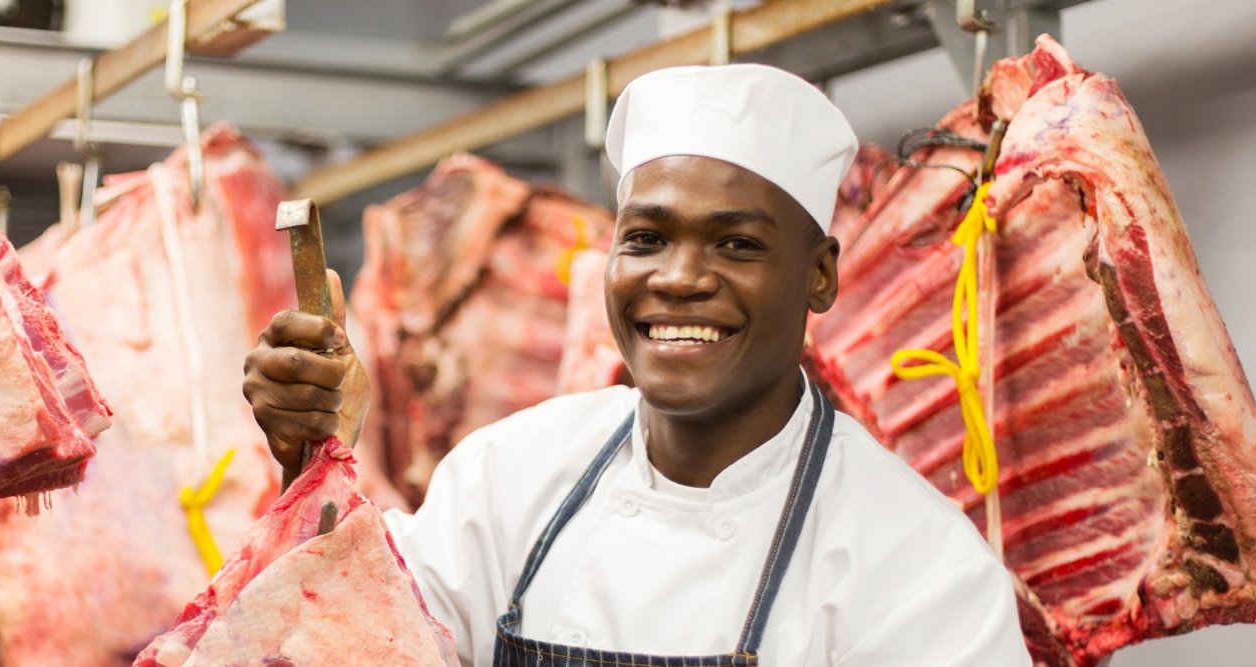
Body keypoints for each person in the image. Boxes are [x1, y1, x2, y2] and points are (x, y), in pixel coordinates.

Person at [243, 64, 1029, 666]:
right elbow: (343, 634)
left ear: (820, 273)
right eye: (647, 238)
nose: (678, 277)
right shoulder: (507, 478)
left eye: (737, 243)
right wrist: (309, 459)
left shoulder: (922, 573)